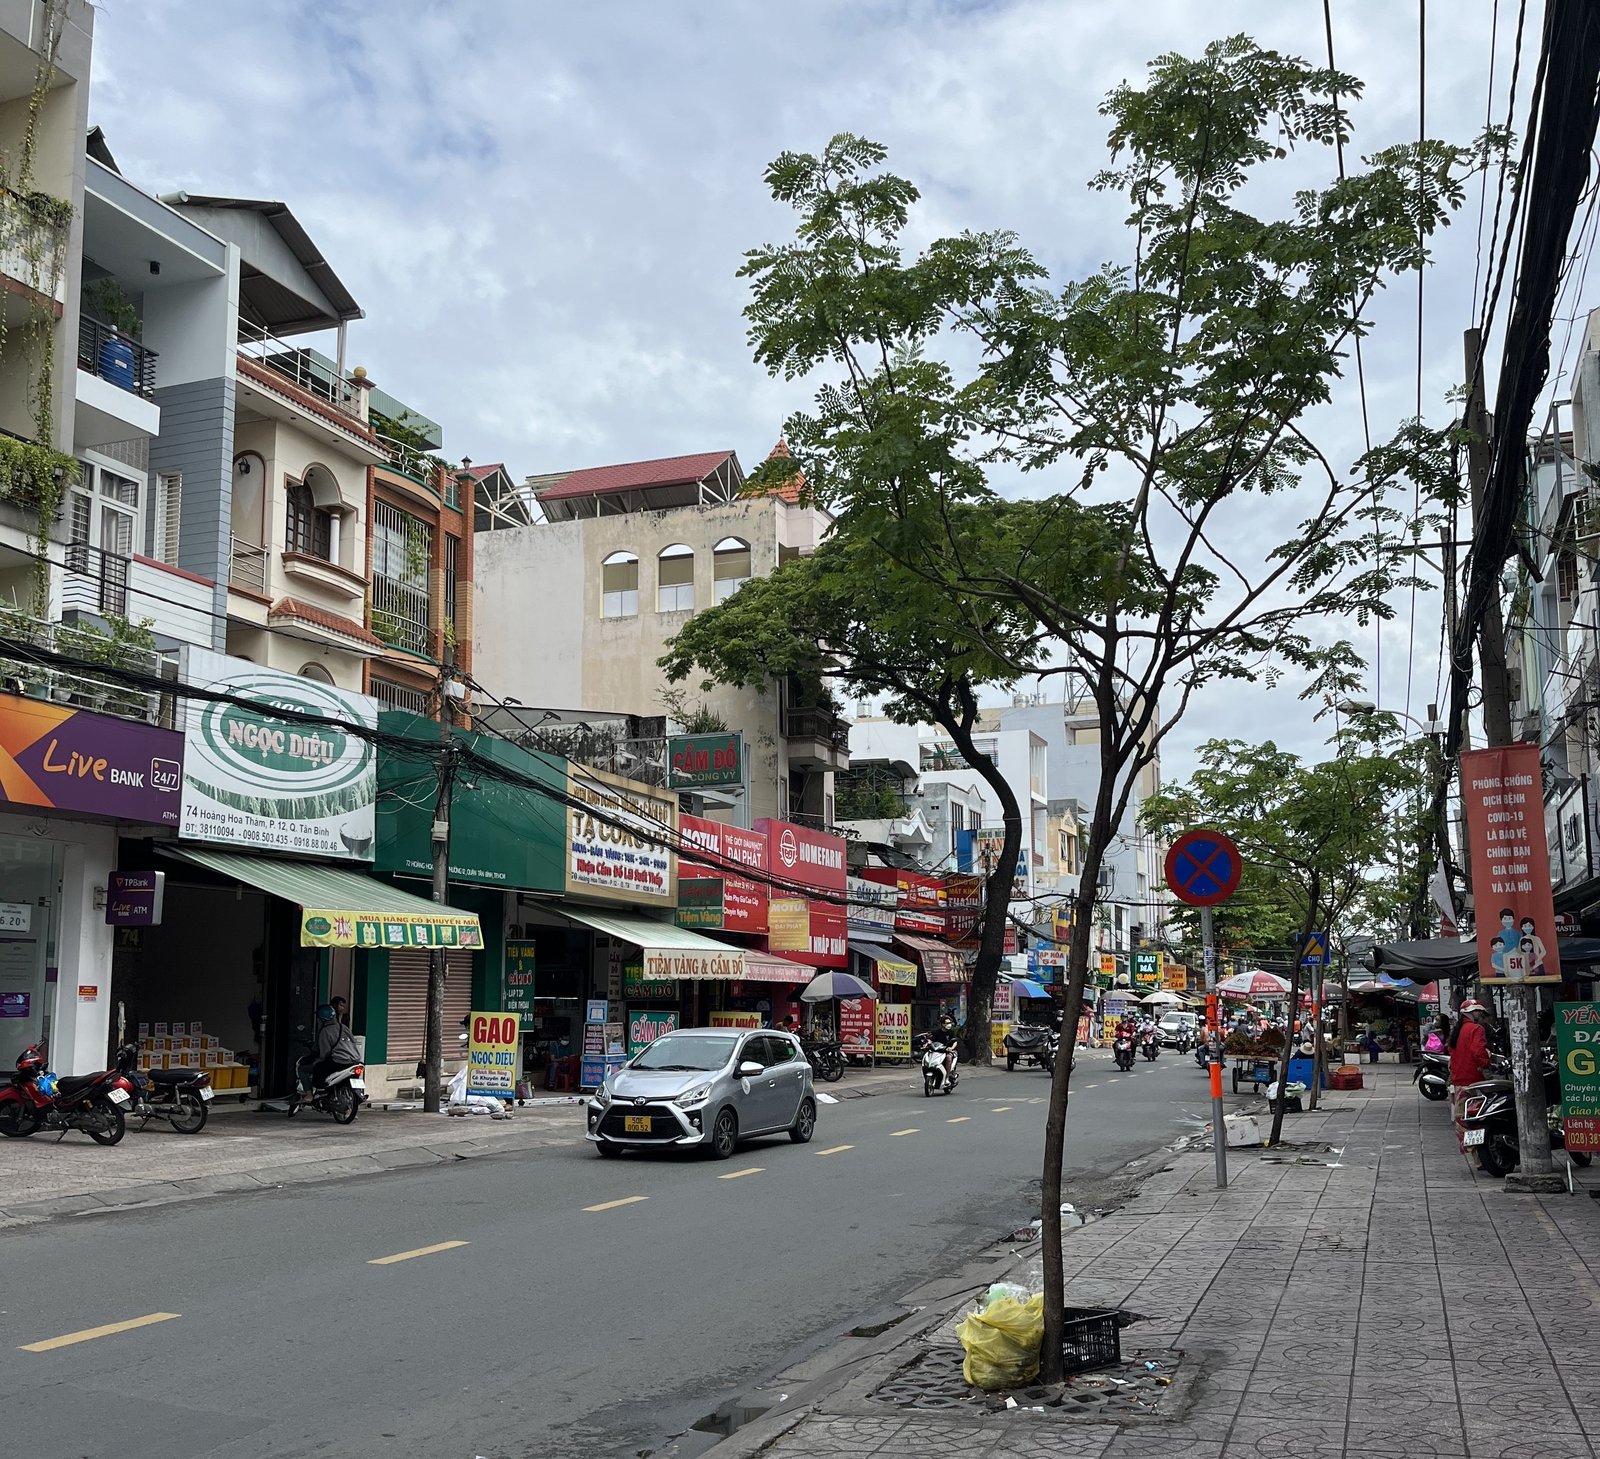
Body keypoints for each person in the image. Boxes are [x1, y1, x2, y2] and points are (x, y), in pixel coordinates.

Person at [290, 1004, 361, 1115]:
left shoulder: (325, 1031)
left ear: (322, 1019)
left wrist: (317, 1061)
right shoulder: (344, 1027)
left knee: (304, 1069)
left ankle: (309, 1095)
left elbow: (324, 1053)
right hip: (354, 1060)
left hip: (338, 1062)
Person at [1449, 998, 1494, 1164]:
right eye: (1478, 1011)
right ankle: (1480, 1158)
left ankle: (1477, 1157)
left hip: (1459, 1081)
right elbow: (1478, 1052)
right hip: (1474, 1080)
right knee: (1478, 1119)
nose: (1480, 1014)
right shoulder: (1476, 1029)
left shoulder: (1456, 1031)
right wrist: (1487, 1062)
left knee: (1464, 1119)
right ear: (1471, 1013)